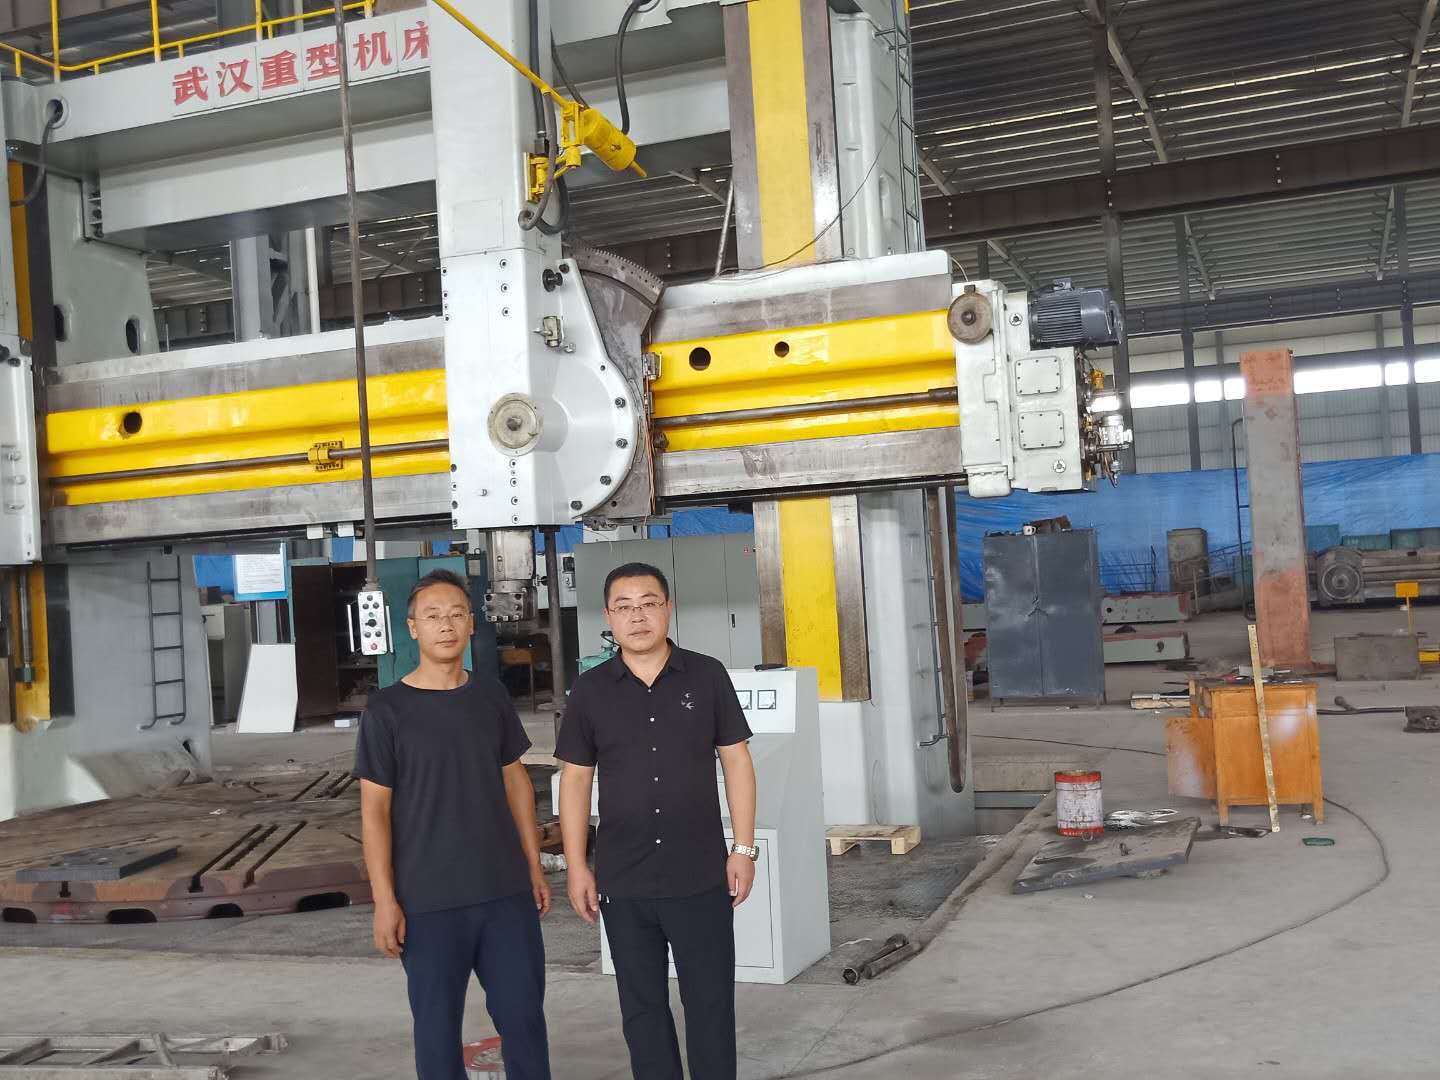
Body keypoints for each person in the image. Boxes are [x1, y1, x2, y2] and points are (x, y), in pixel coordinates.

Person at [556, 562, 757, 1080]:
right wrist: (577, 865)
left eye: (648, 604)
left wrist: (743, 848)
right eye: (624, 607)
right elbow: (575, 780)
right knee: (641, 1008)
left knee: (710, 1004)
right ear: (608, 617)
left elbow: (736, 761)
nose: (637, 616)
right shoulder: (590, 691)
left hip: (699, 875)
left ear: (668, 608)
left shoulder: (707, 676)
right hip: (624, 879)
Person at [353, 568, 552, 1080]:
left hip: (504, 893)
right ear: (412, 628)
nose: (446, 625)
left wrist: (532, 866)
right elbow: (374, 811)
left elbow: (517, 784)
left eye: (457, 614)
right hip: (428, 902)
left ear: (471, 624)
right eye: (433, 616)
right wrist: (385, 900)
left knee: (524, 1020)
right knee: (437, 1032)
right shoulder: (387, 710)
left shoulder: (491, 696)